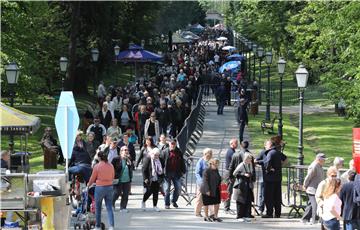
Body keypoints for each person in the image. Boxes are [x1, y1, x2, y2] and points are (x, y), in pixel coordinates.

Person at [87, 150, 115, 230]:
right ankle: (111, 226)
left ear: (99, 157)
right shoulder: (111, 165)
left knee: (98, 207)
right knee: (109, 207)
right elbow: (112, 176)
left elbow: (92, 178)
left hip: (100, 188)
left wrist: (88, 185)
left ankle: (98, 226)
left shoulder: (97, 166)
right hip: (109, 187)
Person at [262, 139, 287, 218]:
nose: (265, 146)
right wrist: (280, 167)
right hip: (278, 178)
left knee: (269, 197)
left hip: (270, 179)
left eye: (266, 145)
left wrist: (269, 169)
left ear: (270, 145)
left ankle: (269, 213)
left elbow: (267, 164)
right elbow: (286, 159)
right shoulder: (278, 152)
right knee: (277, 197)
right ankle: (277, 213)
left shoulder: (270, 153)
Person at [301, 153, 326, 224]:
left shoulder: (319, 165)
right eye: (323, 160)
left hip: (317, 189)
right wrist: (304, 185)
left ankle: (304, 219)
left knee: (311, 205)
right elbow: (308, 177)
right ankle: (314, 220)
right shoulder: (314, 166)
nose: (324, 161)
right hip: (312, 189)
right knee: (315, 204)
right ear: (319, 159)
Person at [162, 139, 186, 209]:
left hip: (176, 173)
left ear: (175, 144)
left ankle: (174, 201)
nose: (173, 145)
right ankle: (167, 203)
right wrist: (160, 172)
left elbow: (182, 162)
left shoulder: (179, 152)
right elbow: (161, 162)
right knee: (167, 189)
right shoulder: (164, 152)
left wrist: (183, 171)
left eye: (174, 144)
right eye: (171, 144)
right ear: (169, 144)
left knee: (178, 188)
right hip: (167, 173)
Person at [233, 152, 256, 222]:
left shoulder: (250, 164)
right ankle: (239, 215)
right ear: (245, 159)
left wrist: (251, 176)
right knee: (240, 199)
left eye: (250, 159)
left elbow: (251, 172)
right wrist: (244, 174)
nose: (250, 160)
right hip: (241, 185)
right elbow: (235, 173)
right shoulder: (241, 165)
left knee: (248, 199)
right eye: (249, 159)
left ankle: (247, 214)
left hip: (248, 184)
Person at [112, 146, 133, 212]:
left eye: (127, 150)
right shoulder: (116, 159)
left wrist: (129, 161)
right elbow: (112, 168)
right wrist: (114, 176)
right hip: (118, 179)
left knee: (126, 194)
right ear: (121, 151)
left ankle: (123, 207)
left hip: (127, 179)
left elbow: (132, 168)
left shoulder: (128, 159)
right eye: (125, 150)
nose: (127, 151)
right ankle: (112, 205)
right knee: (116, 193)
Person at [141, 148, 164, 212]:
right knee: (149, 192)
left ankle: (155, 206)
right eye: (154, 155)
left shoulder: (160, 160)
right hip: (149, 178)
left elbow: (162, 167)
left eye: (157, 155)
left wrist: (162, 176)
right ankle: (143, 201)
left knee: (156, 192)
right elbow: (144, 170)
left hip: (157, 178)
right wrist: (145, 178)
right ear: (151, 154)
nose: (156, 156)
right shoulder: (148, 159)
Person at [200, 158, 222, 222]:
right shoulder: (206, 170)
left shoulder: (216, 170)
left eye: (217, 164)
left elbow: (217, 178)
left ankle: (215, 216)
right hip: (207, 189)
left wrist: (221, 179)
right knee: (206, 203)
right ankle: (206, 216)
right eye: (215, 164)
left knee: (217, 203)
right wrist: (207, 190)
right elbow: (205, 181)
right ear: (211, 164)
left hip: (215, 188)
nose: (216, 166)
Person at [194, 148, 213, 217]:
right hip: (202, 183)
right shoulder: (201, 161)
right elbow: (197, 173)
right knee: (200, 197)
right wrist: (201, 182)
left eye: (211, 153)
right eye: (209, 153)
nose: (211, 155)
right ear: (205, 154)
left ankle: (211, 213)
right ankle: (197, 212)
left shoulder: (211, 161)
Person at [223, 138, 238, 213]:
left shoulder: (232, 151)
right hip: (229, 173)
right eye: (236, 143)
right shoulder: (231, 152)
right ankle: (226, 208)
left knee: (228, 190)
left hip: (229, 173)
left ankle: (226, 207)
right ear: (232, 144)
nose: (237, 144)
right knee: (228, 190)